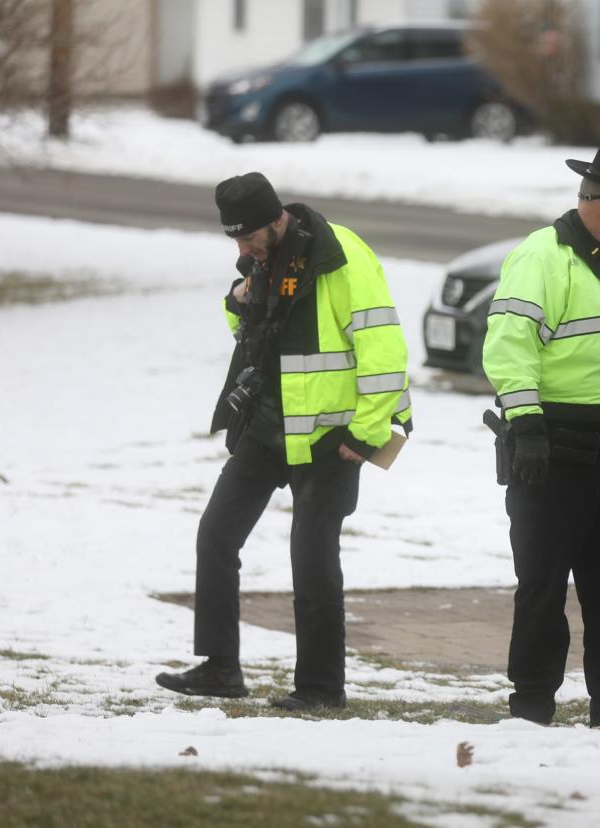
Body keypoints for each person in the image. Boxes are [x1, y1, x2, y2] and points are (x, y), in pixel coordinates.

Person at [155, 172, 412, 711]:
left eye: (248, 238)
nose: (242, 249)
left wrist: (364, 436)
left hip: (330, 436)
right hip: (269, 427)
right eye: (235, 240)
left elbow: (384, 349)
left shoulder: (339, 254)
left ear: (276, 221)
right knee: (216, 536)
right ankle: (220, 668)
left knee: (312, 561)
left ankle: (321, 689)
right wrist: (238, 295)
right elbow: (252, 332)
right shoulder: (262, 259)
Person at [482, 141, 600, 726]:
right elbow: (508, 347)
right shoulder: (543, 257)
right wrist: (528, 425)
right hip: (551, 454)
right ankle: (532, 706)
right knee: (541, 587)